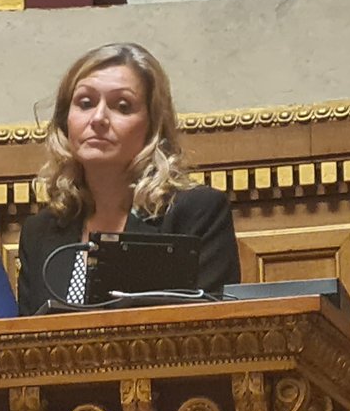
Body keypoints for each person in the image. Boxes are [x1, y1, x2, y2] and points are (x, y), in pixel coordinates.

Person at [14, 43, 240, 317]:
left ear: (152, 126)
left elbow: (213, 331)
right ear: (65, 121)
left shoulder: (194, 213)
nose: (98, 118)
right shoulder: (41, 232)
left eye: (122, 106)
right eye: (85, 103)